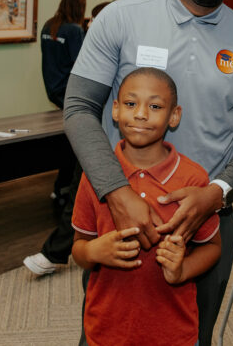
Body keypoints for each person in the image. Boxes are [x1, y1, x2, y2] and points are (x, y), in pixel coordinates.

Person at [64, 0, 233, 345]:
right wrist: (118, 193)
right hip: (122, 213)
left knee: (192, 334)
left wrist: (216, 193)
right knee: (108, 329)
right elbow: (78, 108)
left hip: (205, 219)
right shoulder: (121, 18)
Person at [72, 68, 220, 346]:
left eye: (155, 106)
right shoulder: (96, 175)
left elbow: (212, 247)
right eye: (131, 103)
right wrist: (94, 251)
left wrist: (182, 269)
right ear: (115, 110)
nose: (140, 114)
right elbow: (79, 247)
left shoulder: (193, 178)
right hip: (106, 331)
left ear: (174, 116)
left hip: (173, 332)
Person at [24, 0, 88, 276]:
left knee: (73, 152)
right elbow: (83, 64)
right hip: (73, 94)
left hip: (55, 91)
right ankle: (62, 188)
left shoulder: (49, 26)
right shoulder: (74, 30)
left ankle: (60, 186)